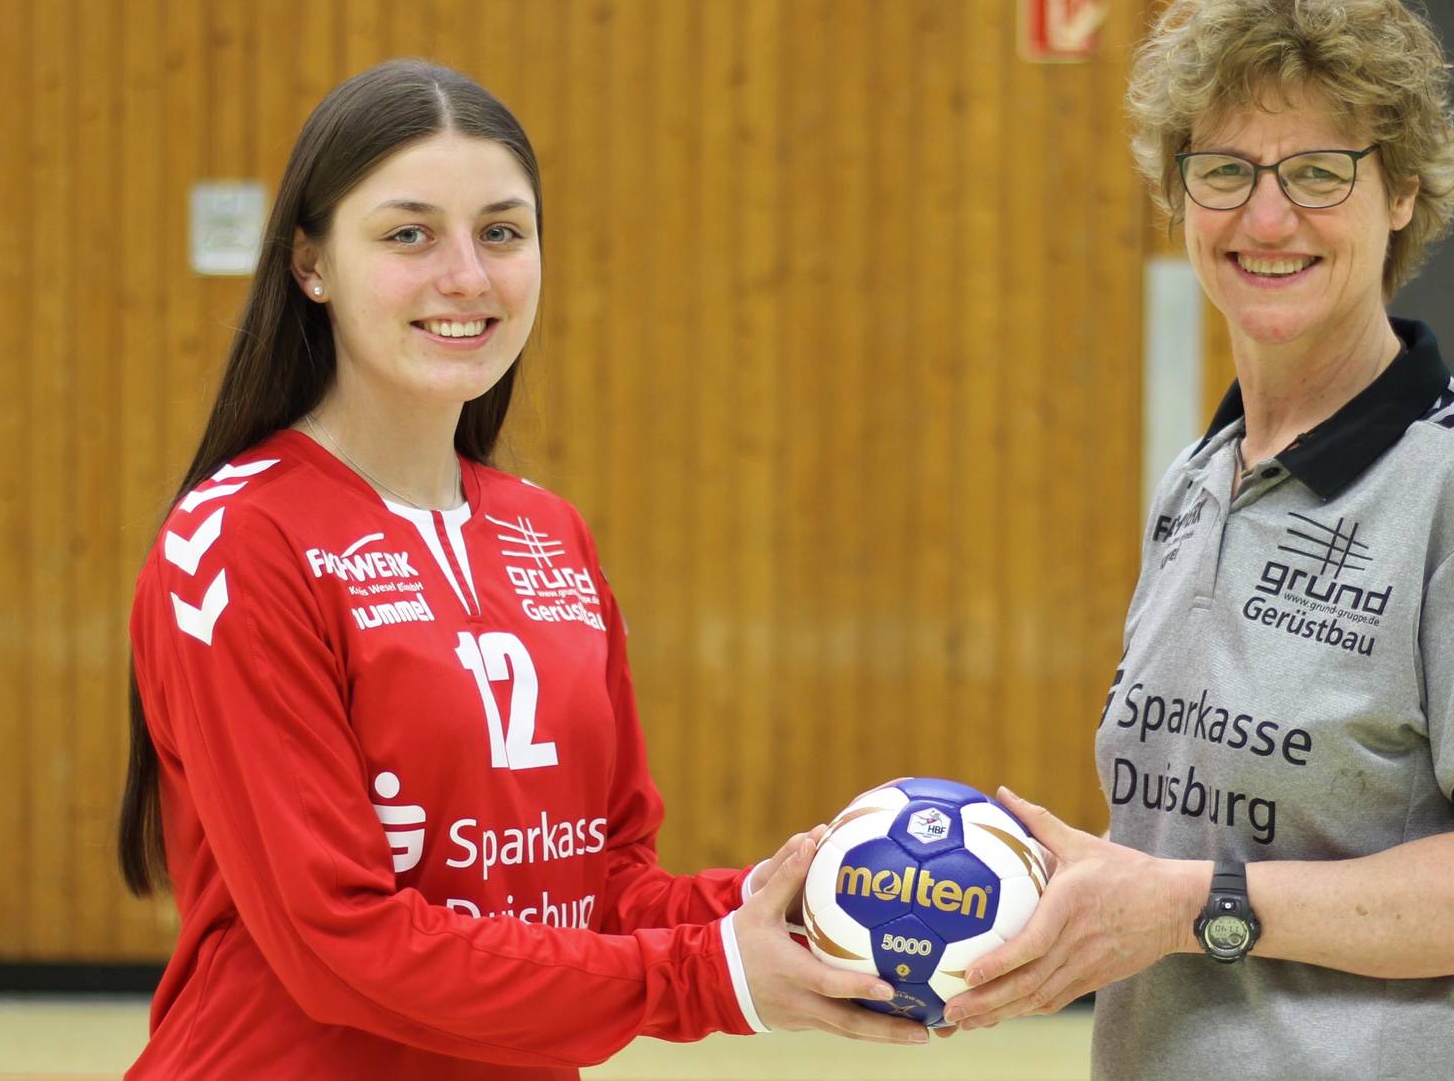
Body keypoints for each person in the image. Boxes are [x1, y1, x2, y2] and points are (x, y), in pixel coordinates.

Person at [114, 60, 924, 1078]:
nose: (468, 276)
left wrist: (804, 901)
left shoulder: (548, 533)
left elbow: (602, 891)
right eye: (409, 234)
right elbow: (339, 943)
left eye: (501, 232)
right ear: (311, 263)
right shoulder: (238, 541)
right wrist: (710, 975)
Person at [939, 0, 1454, 1081]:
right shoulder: (1197, 480)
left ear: (1400, 194)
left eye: (1317, 172)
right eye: (1224, 170)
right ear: (1179, 196)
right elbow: (1188, 847)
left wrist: (1192, 906)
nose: (1266, 216)